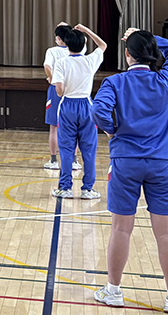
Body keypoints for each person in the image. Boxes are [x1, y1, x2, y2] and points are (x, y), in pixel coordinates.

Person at [91, 28, 168, 308]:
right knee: (165, 233)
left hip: (125, 161)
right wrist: (152, 38)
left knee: (121, 229)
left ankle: (113, 290)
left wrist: (112, 130)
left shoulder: (115, 82)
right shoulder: (164, 80)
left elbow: (98, 111)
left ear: (127, 54)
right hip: (162, 162)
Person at [50, 24, 106, 199]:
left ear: (67, 45)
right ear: (83, 45)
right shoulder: (90, 61)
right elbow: (102, 45)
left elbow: (59, 91)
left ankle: (65, 187)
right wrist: (86, 30)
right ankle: (87, 189)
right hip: (87, 106)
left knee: (66, 148)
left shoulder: (61, 63)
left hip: (67, 106)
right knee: (89, 149)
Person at [43, 22, 81, 172]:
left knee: (54, 127)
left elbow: (47, 66)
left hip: (56, 89)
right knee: (73, 127)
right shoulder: (78, 49)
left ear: (58, 38)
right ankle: (74, 160)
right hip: (72, 89)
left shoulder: (52, 51)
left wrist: (52, 78)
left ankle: (53, 160)